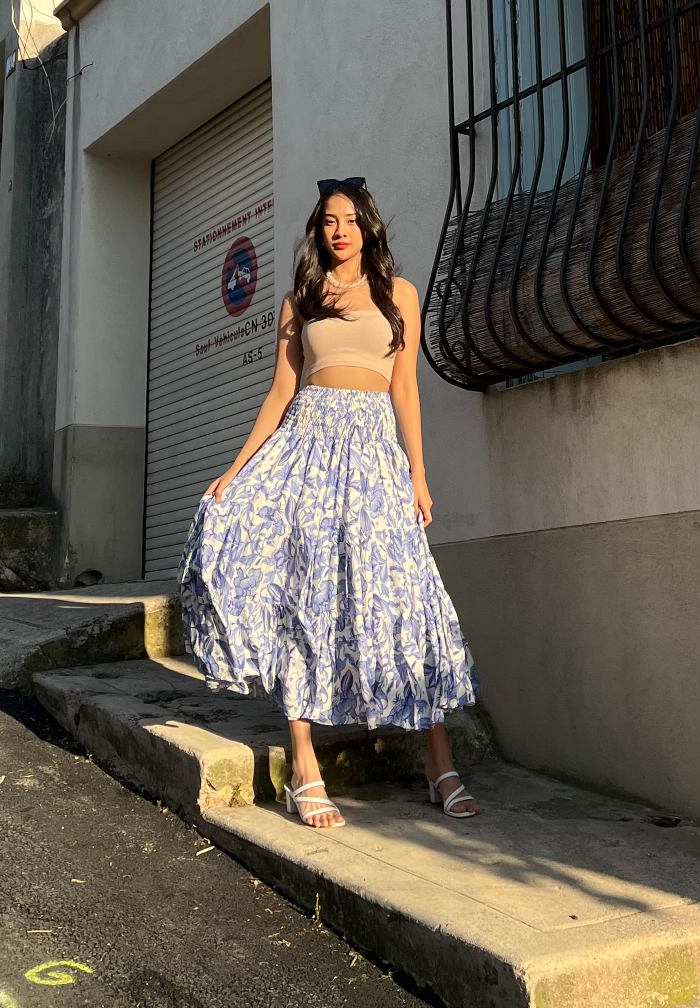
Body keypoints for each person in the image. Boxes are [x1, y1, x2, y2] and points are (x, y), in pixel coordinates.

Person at [178, 177, 479, 831]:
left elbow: (406, 390)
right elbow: (280, 393)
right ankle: (305, 767)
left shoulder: (400, 295)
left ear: (368, 226)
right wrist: (235, 470)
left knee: (404, 596)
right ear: (317, 232)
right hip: (308, 450)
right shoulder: (302, 300)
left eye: (349, 219)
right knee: (305, 597)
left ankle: (438, 761)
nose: (338, 231)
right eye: (327, 222)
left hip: (374, 456)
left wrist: (419, 473)